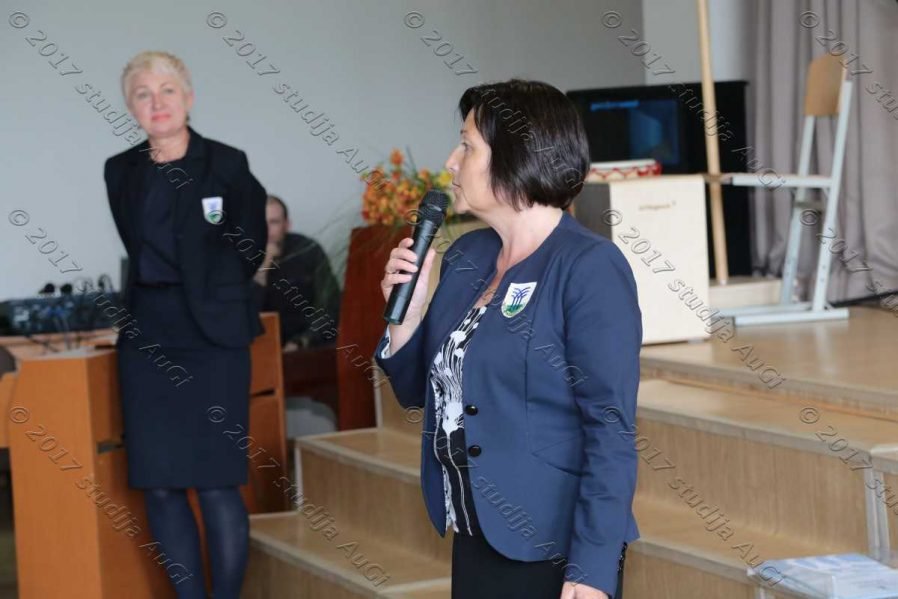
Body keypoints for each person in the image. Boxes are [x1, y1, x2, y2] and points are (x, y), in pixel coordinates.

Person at [373, 79, 642, 599]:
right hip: (475, 530)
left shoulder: (588, 267)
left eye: (467, 146)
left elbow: (609, 431)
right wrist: (407, 316)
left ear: (517, 156)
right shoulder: (468, 256)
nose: (451, 162)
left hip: (553, 543)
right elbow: (422, 395)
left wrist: (591, 569)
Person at [103, 51, 267, 599]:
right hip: (147, 338)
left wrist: (211, 292)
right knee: (160, 485)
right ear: (131, 107)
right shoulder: (120, 170)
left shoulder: (227, 163)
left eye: (167, 90)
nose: (157, 103)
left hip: (213, 338)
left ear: (188, 97)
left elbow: (249, 246)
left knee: (217, 482)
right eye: (143, 94)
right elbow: (136, 243)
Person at [252, 195, 341, 351]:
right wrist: (263, 268)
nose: (267, 230)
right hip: (263, 347)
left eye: (274, 222)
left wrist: (303, 340)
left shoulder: (307, 250)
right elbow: (243, 315)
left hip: (310, 344)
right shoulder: (241, 258)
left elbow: (330, 303)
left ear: (286, 225)